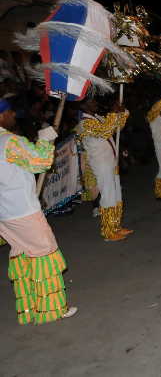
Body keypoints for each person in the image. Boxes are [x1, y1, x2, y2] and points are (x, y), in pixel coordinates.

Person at [0, 98, 77, 324]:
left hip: (5, 213)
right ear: (2, 115)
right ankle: (51, 309)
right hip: (22, 209)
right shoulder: (9, 141)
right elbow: (40, 162)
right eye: (11, 112)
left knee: (22, 255)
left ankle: (29, 308)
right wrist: (45, 140)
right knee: (45, 253)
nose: (14, 116)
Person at [76, 97, 132, 241]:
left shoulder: (98, 118)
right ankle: (108, 232)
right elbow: (105, 131)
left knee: (116, 195)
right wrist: (113, 113)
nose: (96, 103)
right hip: (101, 164)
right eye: (92, 101)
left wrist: (122, 112)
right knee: (108, 195)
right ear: (84, 105)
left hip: (111, 161)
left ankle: (116, 226)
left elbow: (117, 128)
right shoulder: (84, 123)